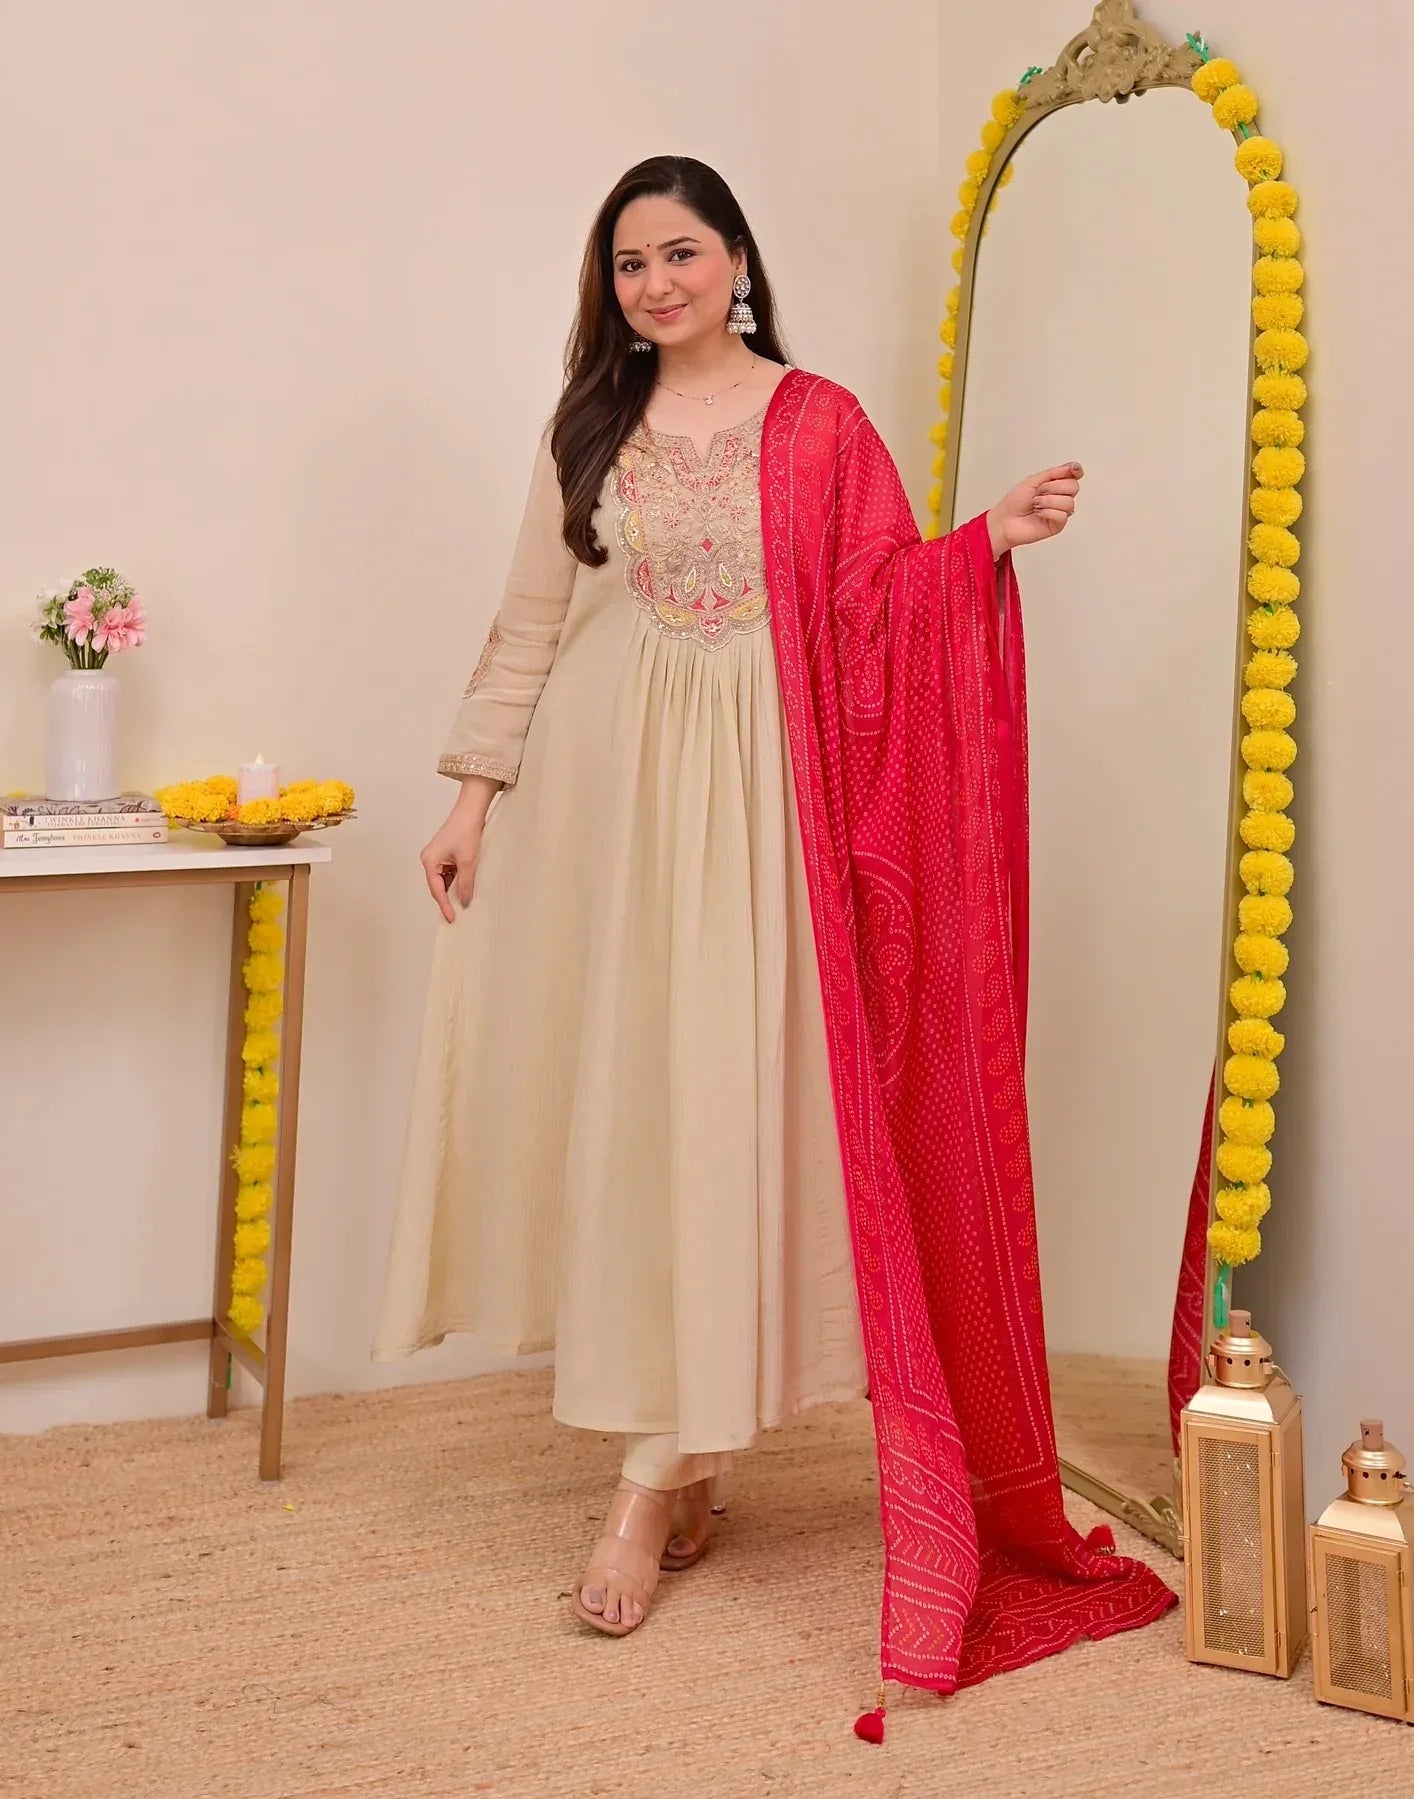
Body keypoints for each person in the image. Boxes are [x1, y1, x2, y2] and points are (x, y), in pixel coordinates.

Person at [373, 156, 1174, 1698]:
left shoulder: (821, 423)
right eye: (628, 266)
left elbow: (875, 603)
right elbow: (528, 621)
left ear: (736, 258)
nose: (656, 285)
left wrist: (983, 539)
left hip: (782, 805)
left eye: (680, 254)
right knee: (646, 1120)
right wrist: (473, 794)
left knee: (731, 1122)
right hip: (626, 809)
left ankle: (658, 1474)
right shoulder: (589, 426)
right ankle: (672, 1456)